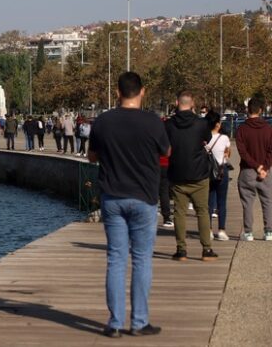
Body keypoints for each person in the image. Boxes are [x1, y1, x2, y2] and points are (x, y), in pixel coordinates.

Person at [88, 72, 169, 338]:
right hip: (144, 197)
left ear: (117, 92)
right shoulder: (153, 122)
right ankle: (139, 322)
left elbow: (91, 157)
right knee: (142, 259)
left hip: (112, 197)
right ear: (142, 91)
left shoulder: (103, 122)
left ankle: (114, 323)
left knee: (116, 259)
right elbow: (166, 152)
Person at [166, 91, 217, 261]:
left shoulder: (169, 124)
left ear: (176, 102)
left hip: (177, 174)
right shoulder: (201, 123)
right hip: (199, 174)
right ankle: (206, 249)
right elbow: (207, 139)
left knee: (179, 212)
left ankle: (181, 250)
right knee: (202, 211)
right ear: (193, 103)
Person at [236, 97, 272, 241]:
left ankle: (249, 232)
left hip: (247, 171)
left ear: (247, 110)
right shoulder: (268, 129)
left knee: (248, 202)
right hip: (266, 171)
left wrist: (256, 166)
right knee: (268, 201)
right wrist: (265, 167)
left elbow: (243, 152)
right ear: (261, 111)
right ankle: (269, 231)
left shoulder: (242, 129)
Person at [205, 111, 231, 241]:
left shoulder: (204, 139)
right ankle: (221, 230)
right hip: (221, 171)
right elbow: (228, 154)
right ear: (217, 124)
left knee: (209, 202)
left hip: (207, 173)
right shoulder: (224, 138)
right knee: (222, 201)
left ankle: (208, 230)